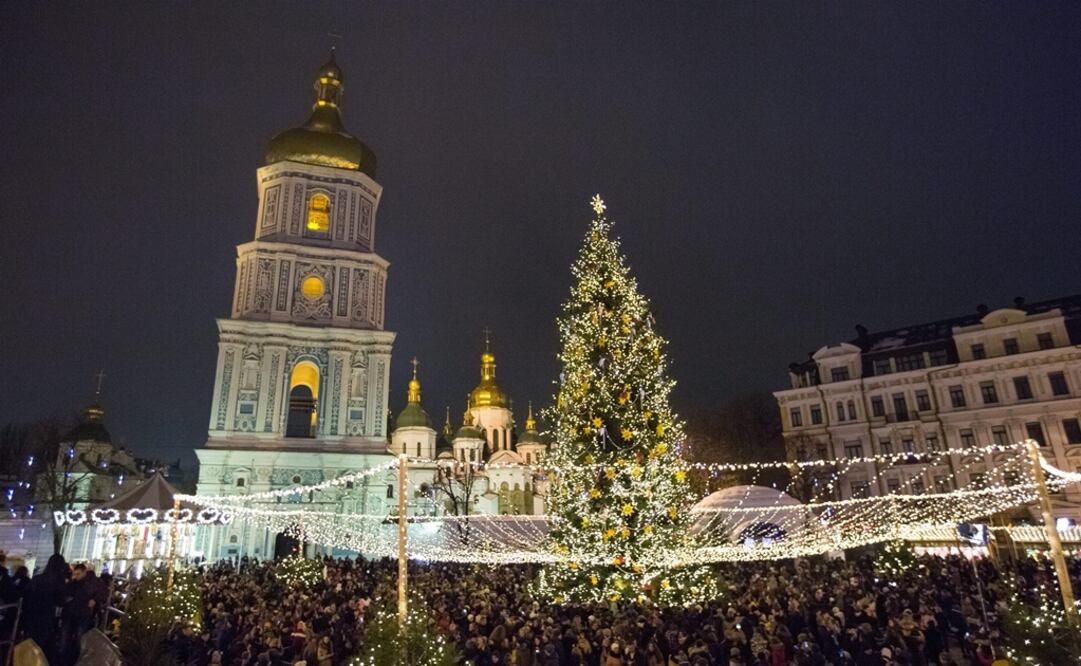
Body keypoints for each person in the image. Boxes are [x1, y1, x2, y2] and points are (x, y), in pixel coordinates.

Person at [22, 554, 68, 665]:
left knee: (31, 643)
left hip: (31, 616)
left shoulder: (37, 578)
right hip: (47, 618)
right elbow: (61, 600)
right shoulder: (58, 581)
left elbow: (26, 595)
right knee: (44, 647)